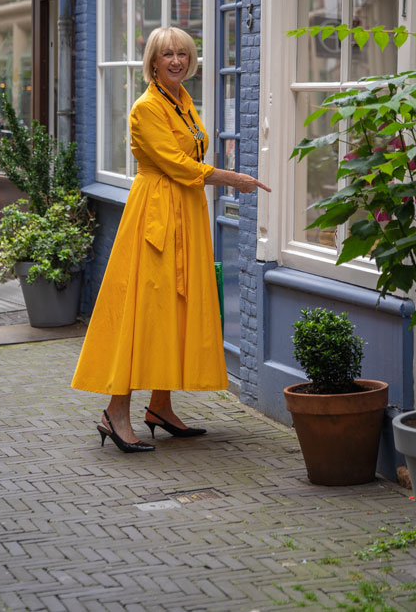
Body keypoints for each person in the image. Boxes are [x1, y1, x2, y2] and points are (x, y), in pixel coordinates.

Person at [71, 26, 271, 453]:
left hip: (186, 212)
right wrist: (232, 178)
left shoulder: (181, 101)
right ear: (153, 62)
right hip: (156, 216)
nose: (177, 60)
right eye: (168, 55)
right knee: (144, 309)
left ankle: (159, 407)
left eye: (183, 53)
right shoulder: (146, 108)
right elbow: (179, 164)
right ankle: (115, 411)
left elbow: (189, 159)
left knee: (173, 309)